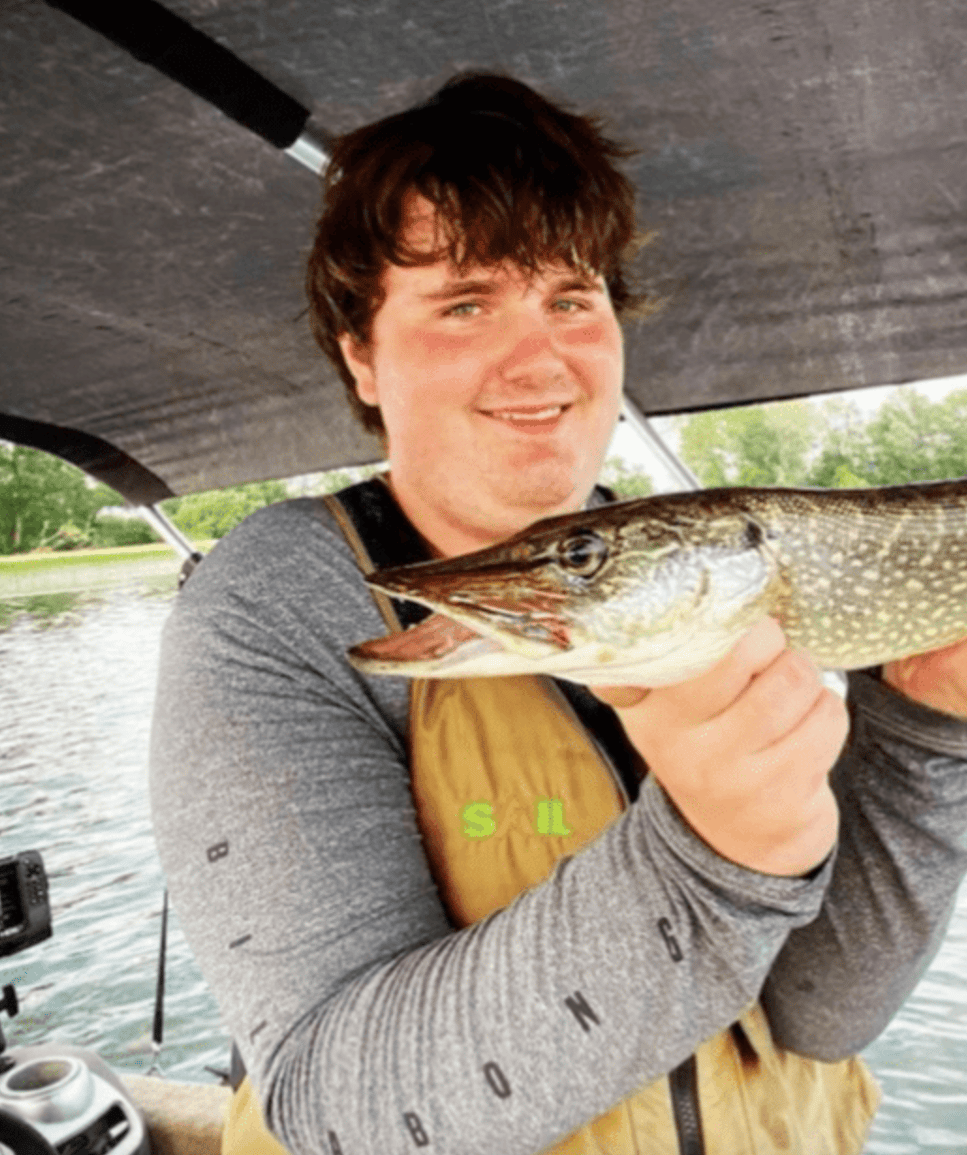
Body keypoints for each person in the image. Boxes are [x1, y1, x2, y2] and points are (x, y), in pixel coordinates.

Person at [148, 73, 967, 1155]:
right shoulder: (271, 605)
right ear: (361, 352)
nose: (540, 362)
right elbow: (339, 1111)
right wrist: (715, 853)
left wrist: (922, 731)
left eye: (570, 298)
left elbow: (816, 1020)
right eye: (465, 302)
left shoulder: (697, 581)